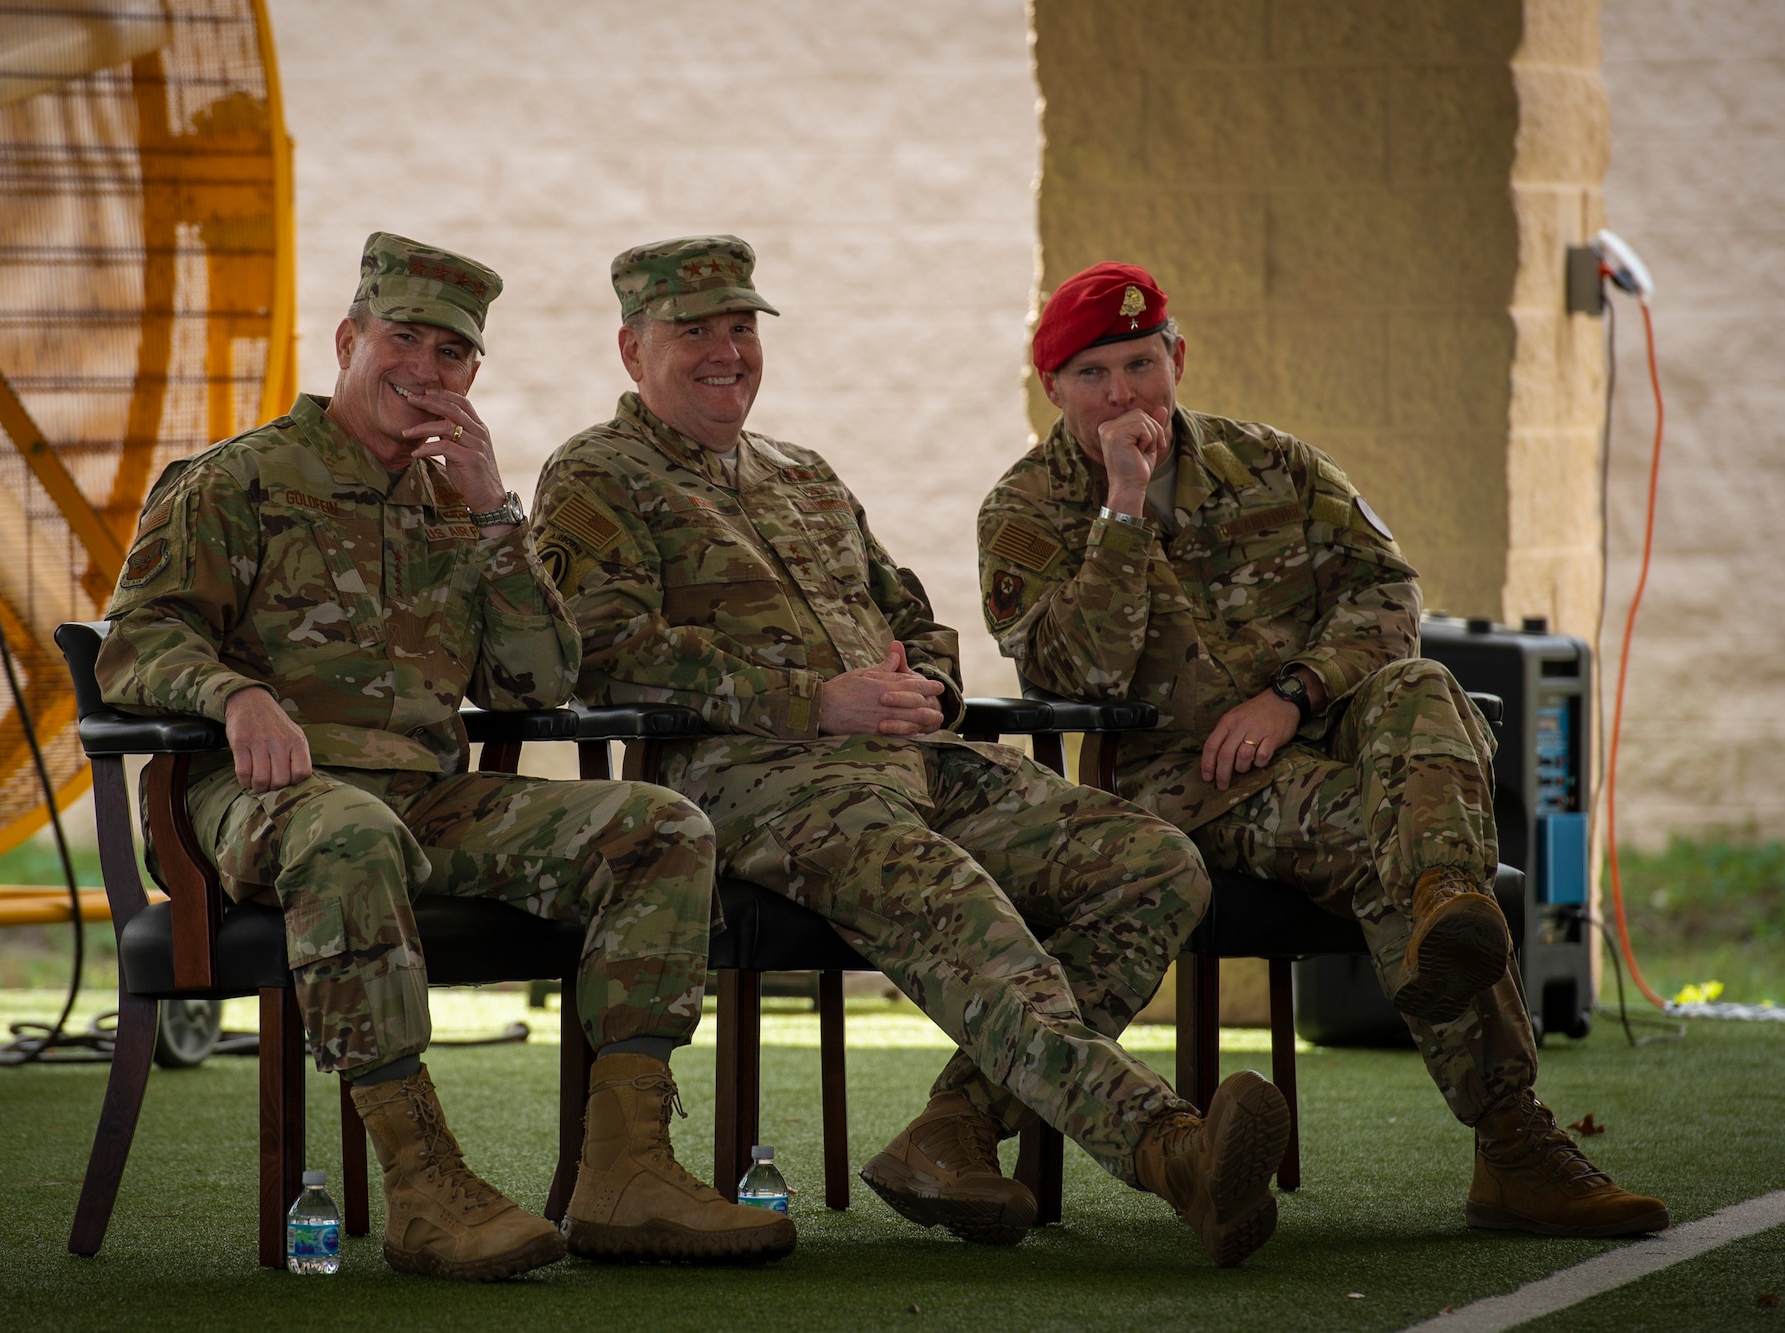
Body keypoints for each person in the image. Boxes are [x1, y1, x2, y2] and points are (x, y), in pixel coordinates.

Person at [533, 234, 1291, 1268]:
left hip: (913, 761)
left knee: (1155, 863)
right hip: (757, 784)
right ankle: (1171, 1148)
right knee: (953, 900)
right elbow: (601, 653)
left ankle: (951, 1131)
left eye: (742, 327)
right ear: (632, 349)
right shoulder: (593, 474)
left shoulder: (802, 473)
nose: (727, 351)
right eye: (693, 331)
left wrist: (924, 683)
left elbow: (912, 616)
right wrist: (813, 698)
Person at [96, 232, 795, 1280]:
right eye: (403, 339)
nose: (426, 370)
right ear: (348, 339)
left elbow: (534, 682)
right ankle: (423, 1186)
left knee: (659, 827)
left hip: (426, 796)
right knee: (347, 833)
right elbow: (135, 638)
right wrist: (233, 692)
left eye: (454, 355)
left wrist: (493, 518)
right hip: (260, 796)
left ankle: (626, 1168)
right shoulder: (235, 482)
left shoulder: (454, 506)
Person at [978, 261, 1668, 1239]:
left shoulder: (1274, 463)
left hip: (1325, 727)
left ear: (1177, 357)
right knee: (1391, 838)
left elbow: (1390, 599)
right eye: (1093, 374)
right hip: (1185, 784)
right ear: (1049, 387)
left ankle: (1445, 901)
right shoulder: (1021, 512)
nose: (1123, 394)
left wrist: (1288, 693)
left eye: (1141, 362)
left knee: (1422, 688)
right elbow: (1077, 673)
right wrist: (1122, 508)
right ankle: (1512, 1143)